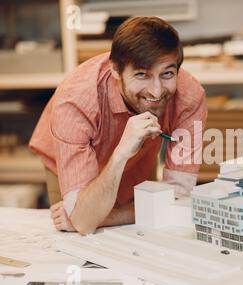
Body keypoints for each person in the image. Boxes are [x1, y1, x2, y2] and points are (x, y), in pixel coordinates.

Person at [29, 16, 207, 235]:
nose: (157, 91)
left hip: (139, 158)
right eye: (142, 74)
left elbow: (178, 197)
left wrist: (108, 217)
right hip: (68, 159)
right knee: (77, 242)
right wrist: (121, 154)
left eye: (167, 74)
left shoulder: (189, 97)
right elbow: (84, 222)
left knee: (146, 233)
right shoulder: (74, 103)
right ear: (116, 70)